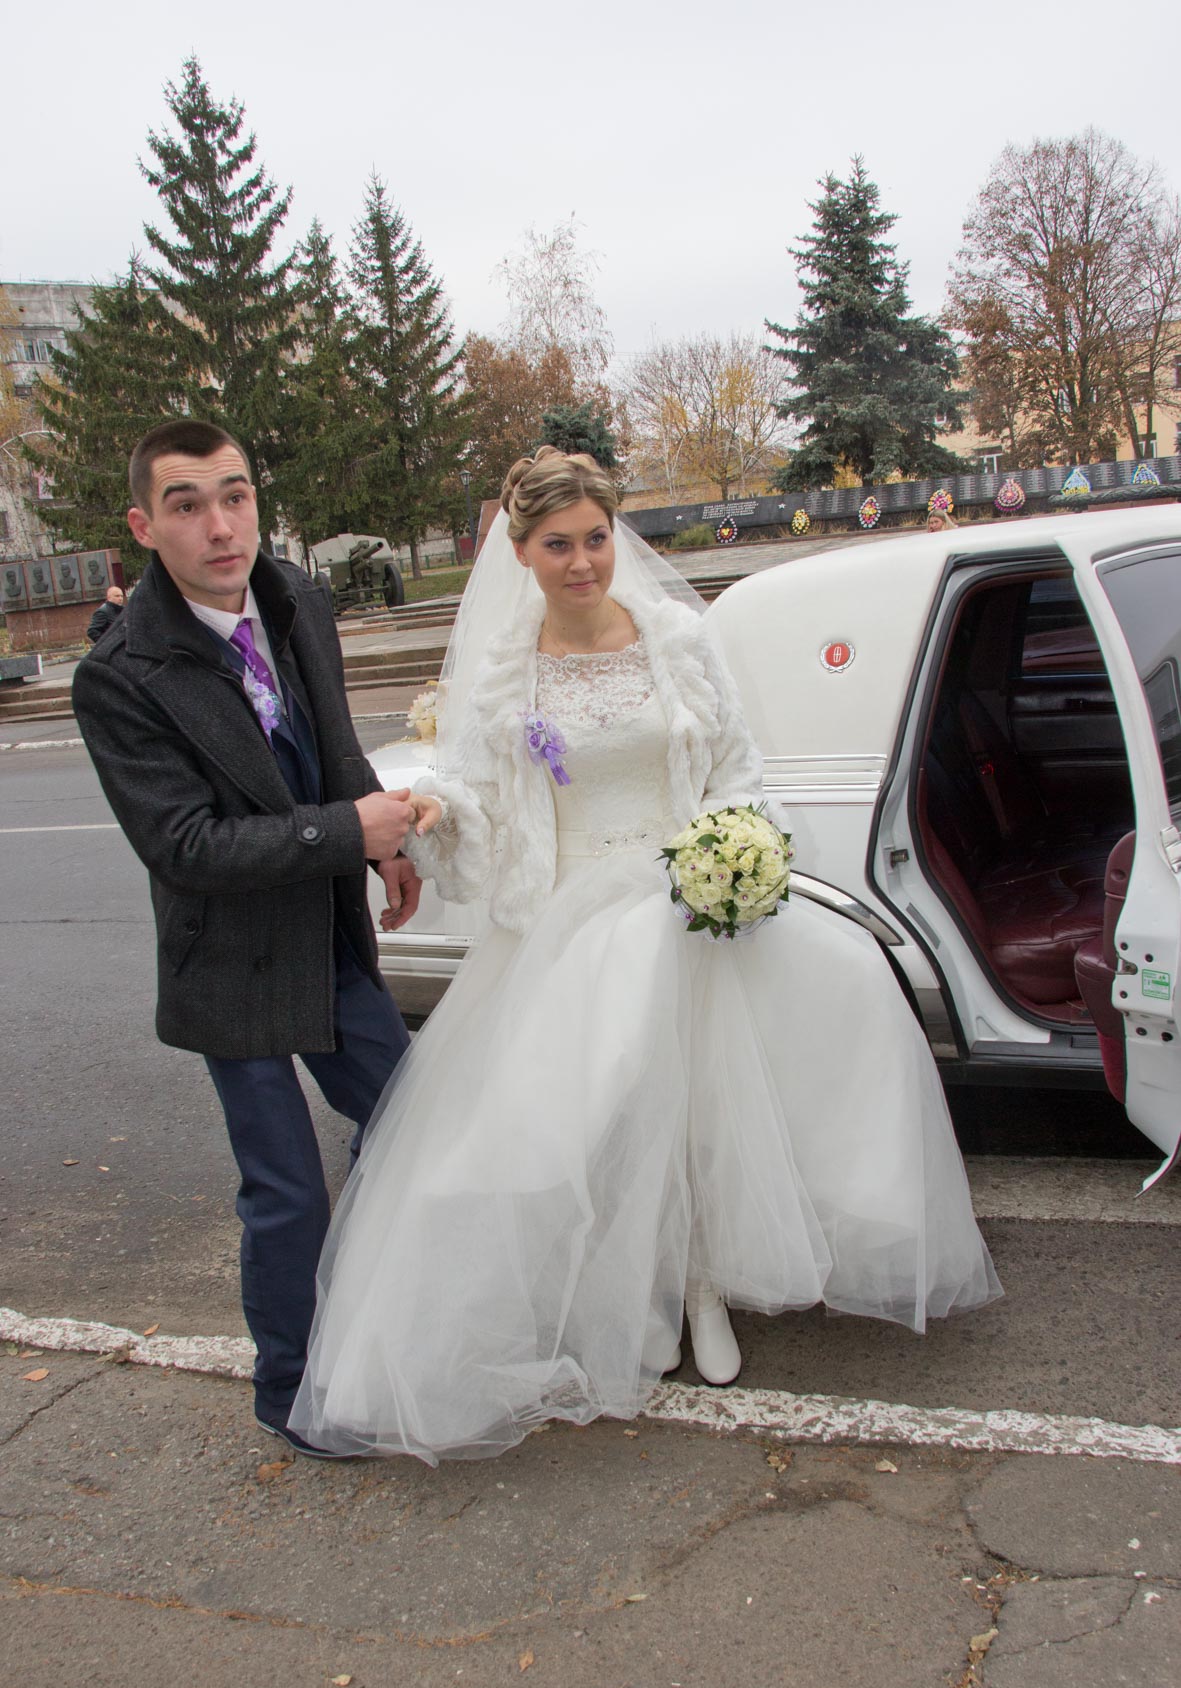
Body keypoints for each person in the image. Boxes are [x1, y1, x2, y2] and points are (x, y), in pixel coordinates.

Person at [289, 448, 1001, 1464]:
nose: (582, 562)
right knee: (605, 1105)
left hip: (685, 893)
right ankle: (653, 1286)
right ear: (520, 551)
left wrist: (729, 848)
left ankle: (705, 1282)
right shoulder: (504, 671)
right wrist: (439, 809)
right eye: (557, 545)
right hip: (571, 913)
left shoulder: (675, 637)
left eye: (594, 538)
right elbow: (483, 795)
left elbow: (734, 765)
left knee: (776, 1050)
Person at [71, 418, 421, 1458]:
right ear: (144, 525)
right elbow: (184, 846)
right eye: (186, 505)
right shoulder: (119, 674)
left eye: (234, 495)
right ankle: (291, 1390)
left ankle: (385, 1317)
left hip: (323, 931)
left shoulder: (295, 597)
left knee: (418, 1122)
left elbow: (334, 741)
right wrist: (347, 832)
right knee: (285, 1193)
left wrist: (383, 846)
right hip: (227, 959)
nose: (220, 526)